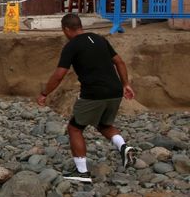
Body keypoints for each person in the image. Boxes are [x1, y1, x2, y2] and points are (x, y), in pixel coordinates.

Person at [37, 13, 138, 183]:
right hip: (115, 90)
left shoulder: (71, 46)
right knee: (103, 124)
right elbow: (119, 62)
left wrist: (44, 93)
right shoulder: (99, 39)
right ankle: (124, 146)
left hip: (94, 93)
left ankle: (82, 172)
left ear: (66, 29)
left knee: (75, 128)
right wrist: (126, 84)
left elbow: (60, 74)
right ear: (80, 26)